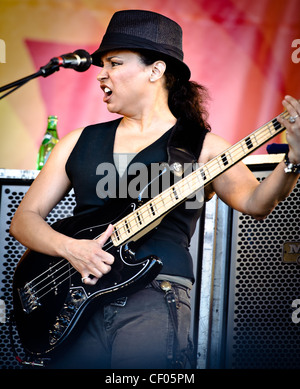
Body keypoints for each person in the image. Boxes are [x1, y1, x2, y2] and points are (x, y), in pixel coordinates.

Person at [10, 10, 300, 369]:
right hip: (76, 301)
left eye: (114, 63)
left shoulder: (202, 147)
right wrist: (71, 249)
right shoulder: (77, 142)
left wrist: (294, 159)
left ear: (155, 70)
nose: (102, 74)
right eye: (102, 64)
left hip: (156, 294)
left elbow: (255, 202)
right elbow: (24, 219)